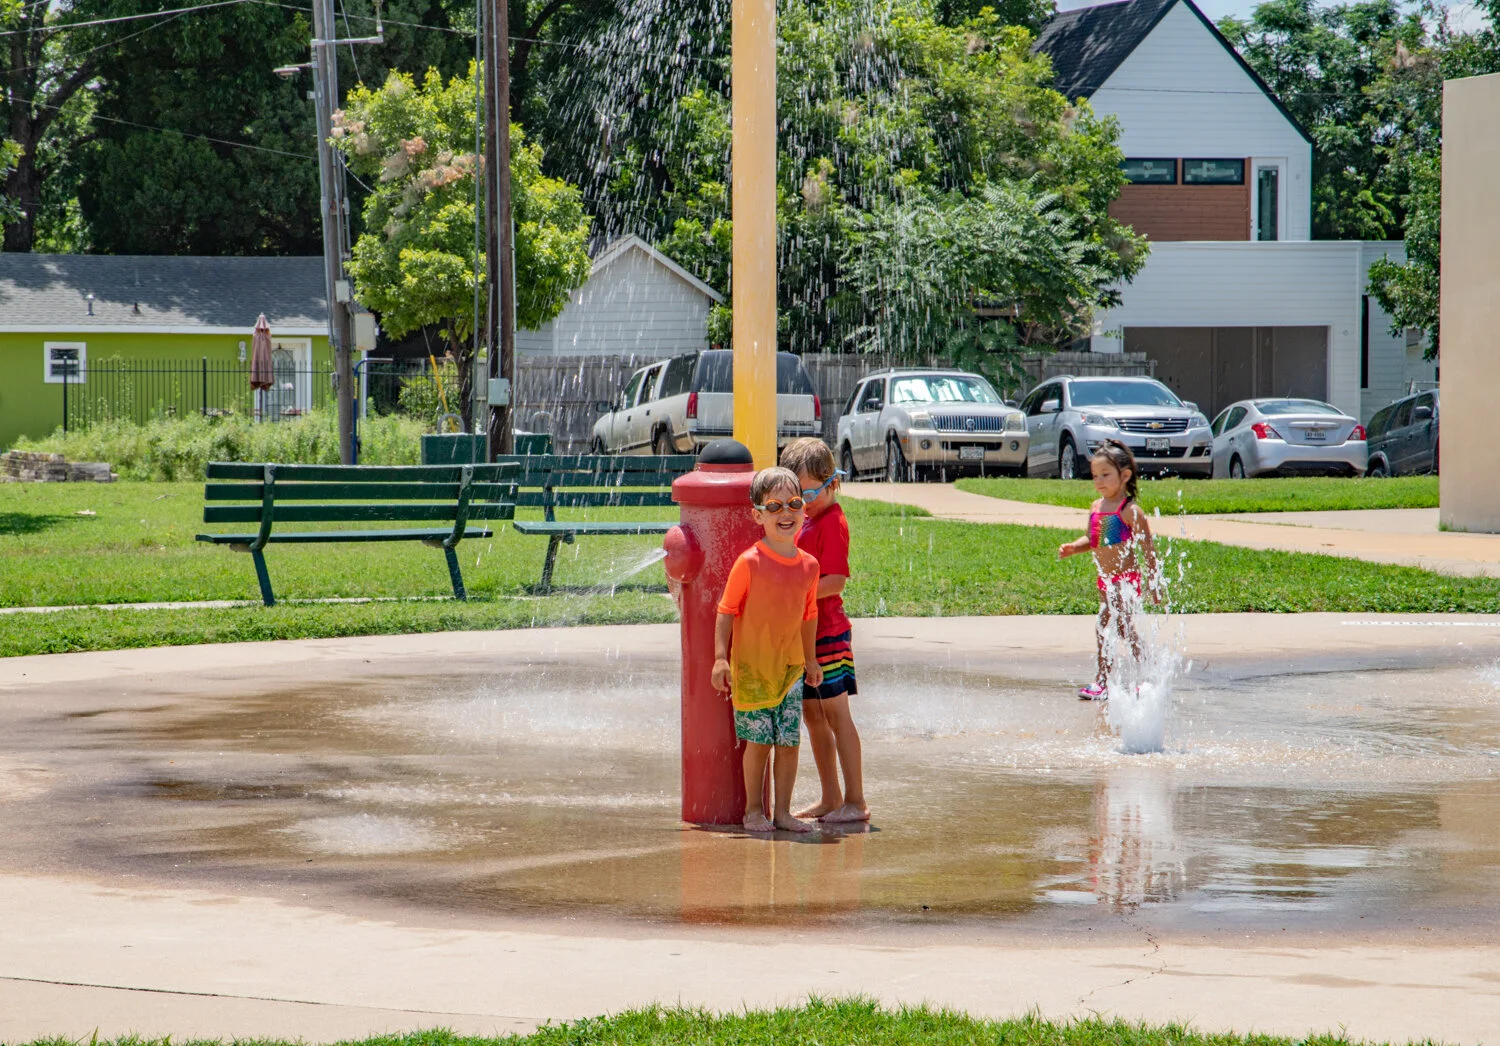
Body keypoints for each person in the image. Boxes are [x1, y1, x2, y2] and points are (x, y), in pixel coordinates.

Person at [711, 466, 824, 833]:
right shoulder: (749, 563)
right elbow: (726, 610)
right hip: (753, 671)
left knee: (788, 743)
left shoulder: (809, 566)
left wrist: (811, 659)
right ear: (757, 515)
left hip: (790, 670)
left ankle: (784, 812)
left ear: (804, 508)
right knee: (758, 745)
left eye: (794, 503)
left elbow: (809, 615)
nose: (786, 514)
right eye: (774, 507)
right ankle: (753, 811)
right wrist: (719, 659)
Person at [780, 437, 868, 823]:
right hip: (805, 633)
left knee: (836, 715)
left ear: (834, 483)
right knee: (813, 717)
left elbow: (835, 581)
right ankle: (831, 797)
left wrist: (790, 590)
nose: (806, 500)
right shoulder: (809, 519)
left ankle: (856, 800)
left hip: (828, 633)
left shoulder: (832, 523)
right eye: (799, 493)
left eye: (813, 491)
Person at [1057, 440, 1159, 700]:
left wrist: (1154, 583)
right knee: (1111, 627)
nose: (1099, 481)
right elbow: (1094, 540)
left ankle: (1140, 676)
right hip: (1106, 580)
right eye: (1094, 476)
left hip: (1125, 579)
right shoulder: (1097, 507)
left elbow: (1148, 550)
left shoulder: (1129, 511)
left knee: (1115, 625)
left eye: (1105, 475)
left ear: (1125, 476)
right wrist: (1073, 548)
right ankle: (1111, 679)